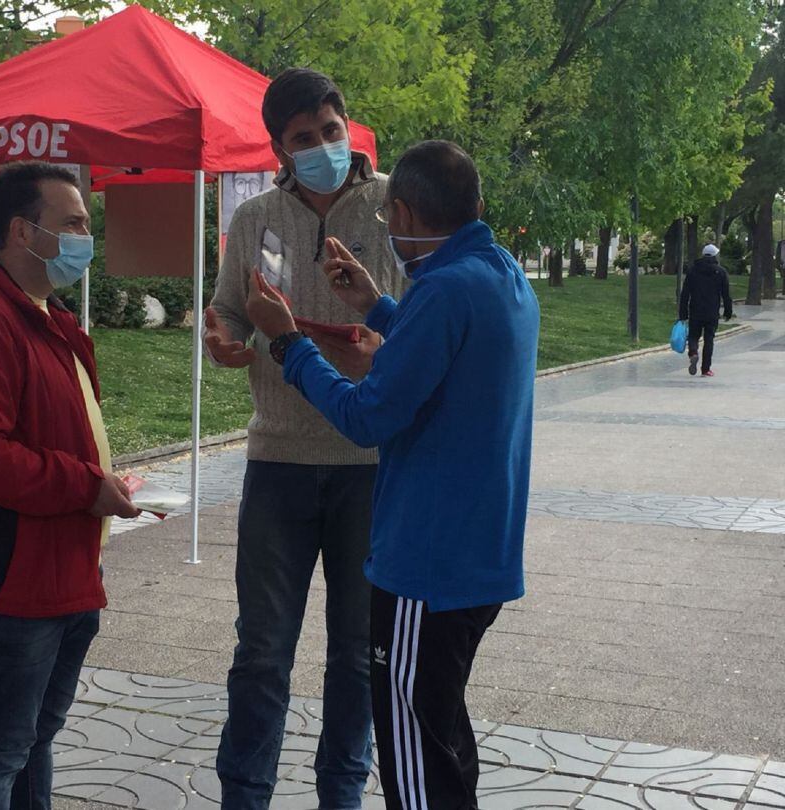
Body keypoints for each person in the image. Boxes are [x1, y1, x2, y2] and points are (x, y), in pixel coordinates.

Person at [244, 140, 539, 810]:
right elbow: (451, 358)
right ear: (477, 207)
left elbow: (367, 417)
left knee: (414, 762)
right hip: (477, 558)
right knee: (442, 738)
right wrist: (378, 306)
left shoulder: (442, 291)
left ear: (402, 210)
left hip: (424, 569)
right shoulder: (500, 275)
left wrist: (290, 344)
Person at [205, 67, 404, 810]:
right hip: (278, 460)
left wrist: (384, 352)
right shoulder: (254, 218)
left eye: (330, 129)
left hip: (371, 465)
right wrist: (220, 336)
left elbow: (428, 322)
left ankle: (341, 796)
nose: (322, 146)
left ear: (346, 124)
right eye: (303, 139)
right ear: (277, 149)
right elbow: (227, 310)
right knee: (261, 653)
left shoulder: (396, 206)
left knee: (358, 655)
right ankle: (245, 796)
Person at [0, 161, 140, 810]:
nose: (85, 238)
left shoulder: (44, 314)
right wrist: (85, 484)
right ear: (22, 231)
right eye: (72, 223)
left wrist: (98, 481)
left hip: (62, 572)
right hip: (8, 584)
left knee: (32, 742)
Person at [680, 244, 733, 377]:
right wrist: (728, 311)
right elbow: (726, 294)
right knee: (709, 339)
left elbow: (685, 293)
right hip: (712, 311)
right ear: (715, 255)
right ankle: (705, 369)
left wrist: (683, 313)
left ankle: (693, 352)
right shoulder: (720, 272)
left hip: (695, 309)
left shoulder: (692, 270)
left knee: (693, 335)